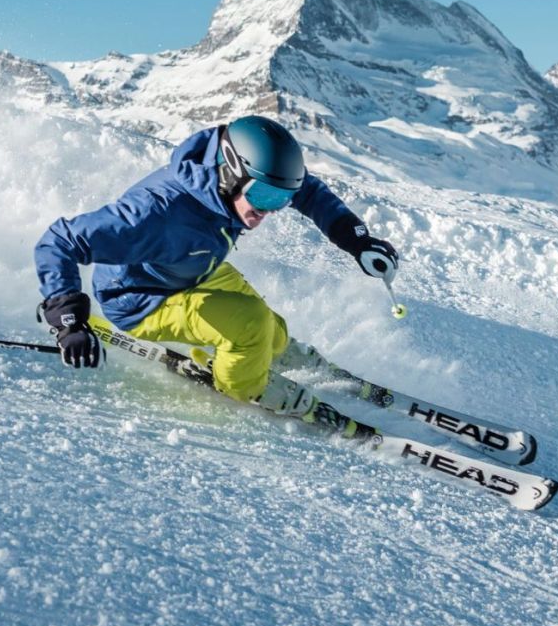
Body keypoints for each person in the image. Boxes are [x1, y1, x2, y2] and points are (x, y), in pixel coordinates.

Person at [33, 116, 400, 411]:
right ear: (229, 173)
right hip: (141, 299)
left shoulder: (234, 182)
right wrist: (67, 320)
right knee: (250, 325)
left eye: (280, 198)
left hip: (193, 269)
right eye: (262, 195)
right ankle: (246, 386)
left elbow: (309, 191)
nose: (267, 210)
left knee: (267, 325)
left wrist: (357, 240)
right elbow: (59, 241)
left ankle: (276, 353)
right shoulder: (154, 213)